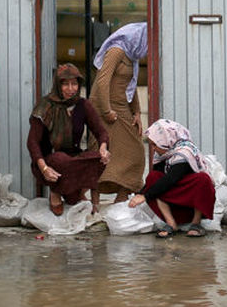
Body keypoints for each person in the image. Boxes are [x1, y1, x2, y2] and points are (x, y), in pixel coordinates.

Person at [28, 63, 111, 215]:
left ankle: (77, 191)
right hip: (50, 161)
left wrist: (103, 148)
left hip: (73, 157)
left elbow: (101, 131)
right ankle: (55, 192)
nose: (71, 89)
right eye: (65, 84)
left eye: (74, 84)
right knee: (61, 160)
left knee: (98, 159)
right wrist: (44, 168)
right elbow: (32, 142)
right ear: (58, 85)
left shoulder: (83, 105)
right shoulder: (45, 106)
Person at [128, 119, 215, 238]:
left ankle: (196, 223)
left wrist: (145, 196)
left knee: (203, 179)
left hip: (190, 200)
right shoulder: (163, 153)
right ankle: (171, 223)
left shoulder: (185, 152)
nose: (153, 149)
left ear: (166, 140)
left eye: (155, 144)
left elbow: (171, 179)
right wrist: (140, 194)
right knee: (153, 177)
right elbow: (157, 179)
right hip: (174, 202)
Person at [92, 22, 148, 201]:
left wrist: (137, 113)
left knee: (136, 153)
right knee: (99, 153)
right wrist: (106, 110)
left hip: (122, 107)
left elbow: (131, 85)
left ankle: (122, 195)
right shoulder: (117, 51)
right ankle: (93, 199)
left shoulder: (132, 56)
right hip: (105, 108)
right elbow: (102, 81)